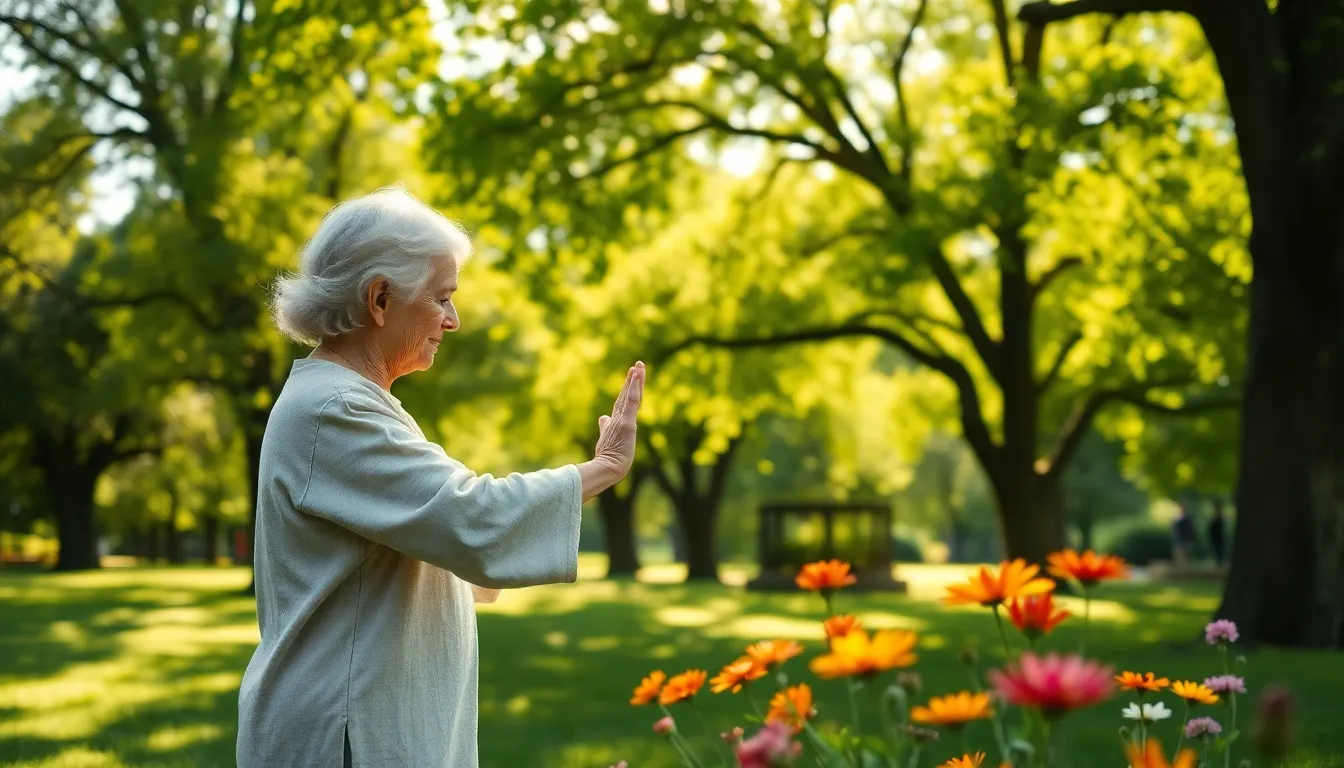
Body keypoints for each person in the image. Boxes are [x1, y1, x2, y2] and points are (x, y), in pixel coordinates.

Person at [235, 186, 646, 768]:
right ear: (380, 299)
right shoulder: (334, 410)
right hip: (345, 736)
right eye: (442, 298)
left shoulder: (352, 401)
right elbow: (471, 519)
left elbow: (442, 543)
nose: (452, 321)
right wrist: (602, 469)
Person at [1209, 500, 1227, 566]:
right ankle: (1219, 562)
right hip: (1217, 537)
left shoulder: (1218, 520)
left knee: (1218, 551)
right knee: (1218, 550)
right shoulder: (1217, 519)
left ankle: (1219, 562)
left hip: (1218, 537)